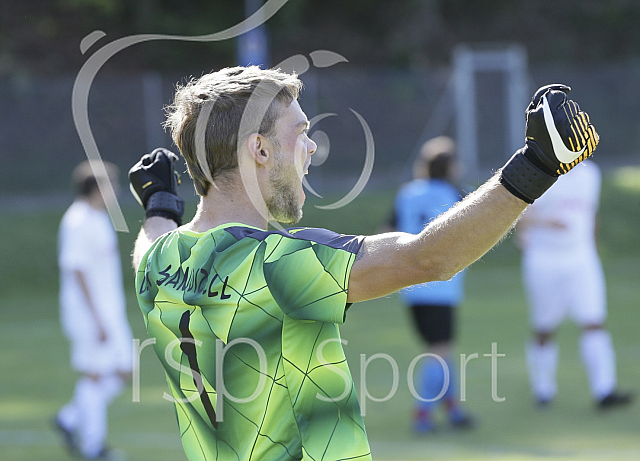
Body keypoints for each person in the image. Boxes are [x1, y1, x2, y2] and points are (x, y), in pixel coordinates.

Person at [128, 67, 599, 460]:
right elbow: (427, 258)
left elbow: (150, 243)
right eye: (302, 134)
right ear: (260, 149)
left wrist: (159, 206)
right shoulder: (276, 265)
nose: (311, 148)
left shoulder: (159, 265)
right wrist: (536, 165)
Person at [517, 160, 632, 410]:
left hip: (581, 259)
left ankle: (604, 390)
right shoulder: (539, 171)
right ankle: (543, 390)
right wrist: (546, 224)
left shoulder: (590, 173)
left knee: (593, 320)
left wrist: (593, 249)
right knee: (544, 328)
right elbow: (519, 215)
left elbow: (591, 214)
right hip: (544, 260)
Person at [389, 136, 473, 432]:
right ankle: (422, 415)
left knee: (441, 348)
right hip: (441, 285)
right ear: (451, 167)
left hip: (410, 286)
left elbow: (386, 232)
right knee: (440, 351)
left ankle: (453, 410)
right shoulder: (455, 194)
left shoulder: (407, 193)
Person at [54, 160, 133, 460]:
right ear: (96, 188)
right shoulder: (77, 221)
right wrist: (97, 319)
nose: (116, 191)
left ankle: (70, 418)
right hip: (90, 315)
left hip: (109, 311)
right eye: (111, 185)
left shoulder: (99, 218)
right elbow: (77, 271)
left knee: (125, 370)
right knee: (95, 377)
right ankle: (93, 448)